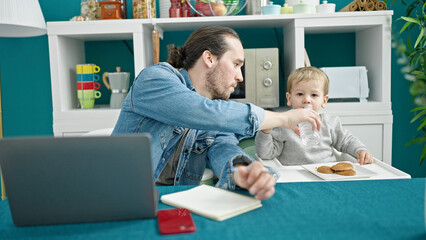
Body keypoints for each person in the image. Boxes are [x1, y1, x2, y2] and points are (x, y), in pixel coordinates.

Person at [112, 26, 321, 200]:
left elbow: (224, 148)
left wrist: (242, 171)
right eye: (236, 64)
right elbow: (200, 111)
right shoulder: (155, 79)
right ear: (209, 59)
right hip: (122, 200)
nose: (240, 77)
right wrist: (283, 118)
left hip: (178, 205)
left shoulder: (215, 110)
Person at [255, 66, 374, 166]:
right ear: (289, 98)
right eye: (300, 94)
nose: (307, 100)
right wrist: (266, 129)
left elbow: (346, 142)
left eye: (314, 95)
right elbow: (265, 154)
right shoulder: (283, 125)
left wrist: (361, 150)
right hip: (295, 178)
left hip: (326, 176)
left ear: (324, 100)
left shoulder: (330, 123)